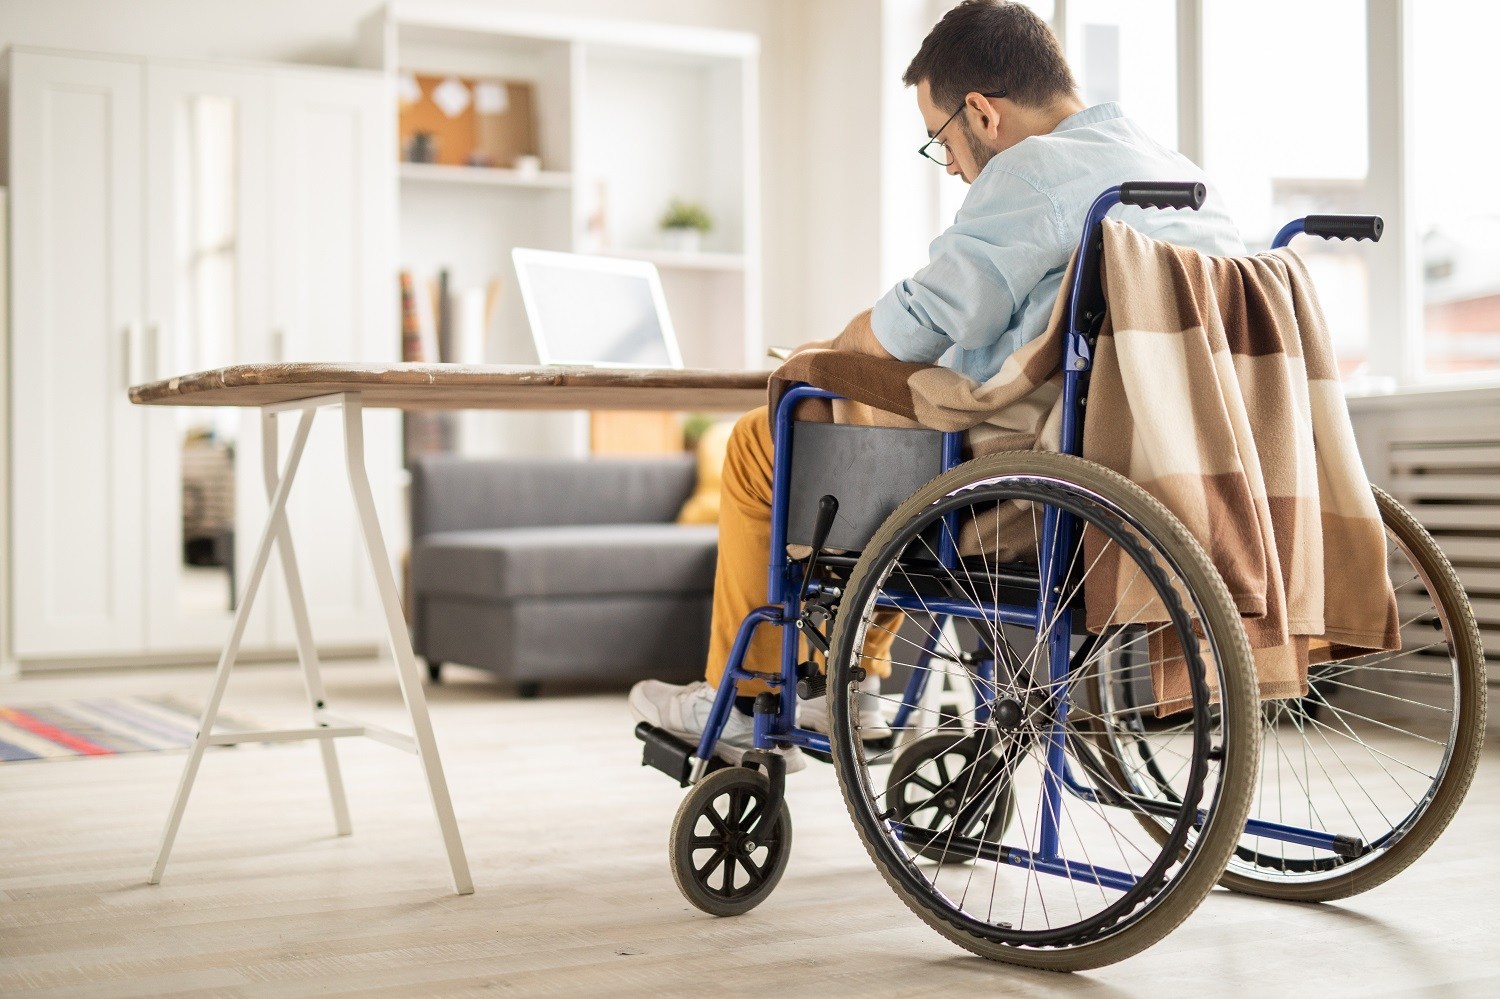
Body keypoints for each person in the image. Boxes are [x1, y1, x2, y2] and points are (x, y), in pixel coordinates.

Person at [629, 0, 1245, 772]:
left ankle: (747, 696)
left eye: (942, 139)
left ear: (981, 112)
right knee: (876, 454)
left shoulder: (1036, 170)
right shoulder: (1177, 175)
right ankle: (843, 679)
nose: (949, 163)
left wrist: (831, 349)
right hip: (1167, 471)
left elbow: (919, 320)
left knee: (772, 438)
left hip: (1028, 476)